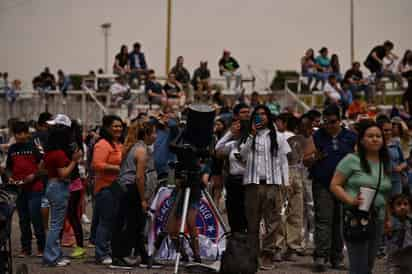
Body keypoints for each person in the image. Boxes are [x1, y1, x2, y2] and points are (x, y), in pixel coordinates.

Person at [330, 120, 391, 274]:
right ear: (362, 140)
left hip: (378, 218)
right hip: (356, 217)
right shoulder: (351, 160)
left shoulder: (385, 162)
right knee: (358, 266)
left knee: (369, 264)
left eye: (378, 136)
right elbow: (335, 185)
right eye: (370, 136)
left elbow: (386, 193)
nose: (375, 139)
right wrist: (351, 200)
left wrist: (388, 218)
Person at [303, 104, 357, 272]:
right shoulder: (317, 136)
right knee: (323, 220)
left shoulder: (350, 136)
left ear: (340, 121)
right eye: (325, 122)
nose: (328, 125)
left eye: (332, 121)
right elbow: (305, 160)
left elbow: (358, 159)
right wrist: (315, 157)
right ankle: (321, 256)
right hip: (323, 184)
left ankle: (337, 257)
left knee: (340, 221)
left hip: (344, 186)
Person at [240, 105, 291, 270]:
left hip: (272, 185)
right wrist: (251, 135)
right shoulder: (249, 135)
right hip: (252, 184)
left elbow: (284, 161)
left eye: (263, 114)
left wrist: (286, 182)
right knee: (252, 223)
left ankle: (267, 254)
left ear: (268, 117)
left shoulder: (279, 137)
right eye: (257, 114)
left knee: (273, 222)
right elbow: (242, 155)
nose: (261, 117)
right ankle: (253, 256)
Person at [110, 119, 161, 269]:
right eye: (154, 133)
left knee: (137, 224)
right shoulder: (141, 150)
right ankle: (120, 256)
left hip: (127, 188)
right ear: (146, 134)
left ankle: (143, 256)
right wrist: (143, 199)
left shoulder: (137, 147)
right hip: (132, 189)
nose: (156, 136)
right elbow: (139, 177)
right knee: (131, 225)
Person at [42, 114, 83, 266]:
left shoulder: (49, 152)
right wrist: (74, 161)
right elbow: (64, 174)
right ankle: (51, 257)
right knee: (56, 225)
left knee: (56, 224)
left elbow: (42, 168)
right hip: (59, 186)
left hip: (52, 185)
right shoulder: (59, 153)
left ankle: (55, 255)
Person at [6, 121, 45, 258]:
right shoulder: (12, 149)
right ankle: (26, 249)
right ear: (14, 135)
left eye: (24, 133)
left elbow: (43, 164)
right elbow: (9, 168)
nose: (21, 136)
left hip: (35, 188)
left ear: (28, 133)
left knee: (36, 218)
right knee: (23, 220)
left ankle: (42, 247)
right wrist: (10, 178)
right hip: (19, 189)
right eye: (18, 133)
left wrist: (34, 175)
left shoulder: (35, 145)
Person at [91, 115, 123, 265]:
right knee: (105, 222)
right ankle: (101, 254)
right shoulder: (102, 144)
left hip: (116, 188)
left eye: (120, 126)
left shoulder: (118, 144)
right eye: (115, 126)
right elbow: (97, 164)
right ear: (107, 127)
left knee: (111, 222)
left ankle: (107, 250)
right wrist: (117, 168)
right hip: (105, 188)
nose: (118, 129)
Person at [215, 103, 250, 233]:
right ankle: (236, 243)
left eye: (248, 112)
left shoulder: (254, 139)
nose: (247, 115)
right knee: (233, 214)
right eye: (243, 112)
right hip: (233, 181)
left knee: (248, 215)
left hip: (249, 182)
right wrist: (230, 132)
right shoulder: (233, 143)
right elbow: (218, 149)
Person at [377, 115, 407, 196]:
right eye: (386, 130)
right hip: (380, 181)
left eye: (390, 130)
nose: (389, 132)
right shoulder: (375, 144)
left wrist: (400, 167)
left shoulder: (396, 142)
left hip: (396, 180)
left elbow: (404, 162)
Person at [385, 193, 412, 274]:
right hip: (395, 257)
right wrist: (388, 228)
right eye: (399, 204)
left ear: (410, 207)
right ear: (393, 208)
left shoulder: (410, 221)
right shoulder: (391, 222)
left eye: (405, 204)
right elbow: (386, 234)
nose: (402, 207)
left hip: (409, 256)